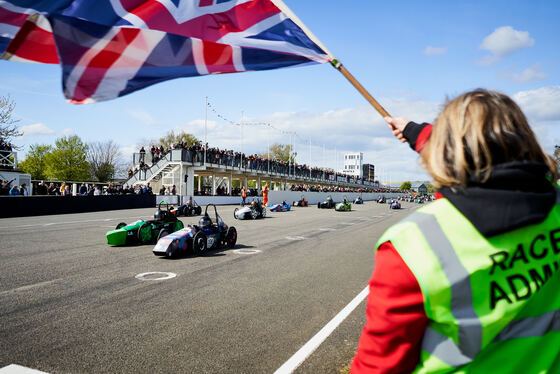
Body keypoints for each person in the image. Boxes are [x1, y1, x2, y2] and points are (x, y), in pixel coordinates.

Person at [351, 89, 560, 373]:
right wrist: (413, 130)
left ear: (446, 151)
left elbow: (377, 366)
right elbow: (488, 154)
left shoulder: (412, 244)